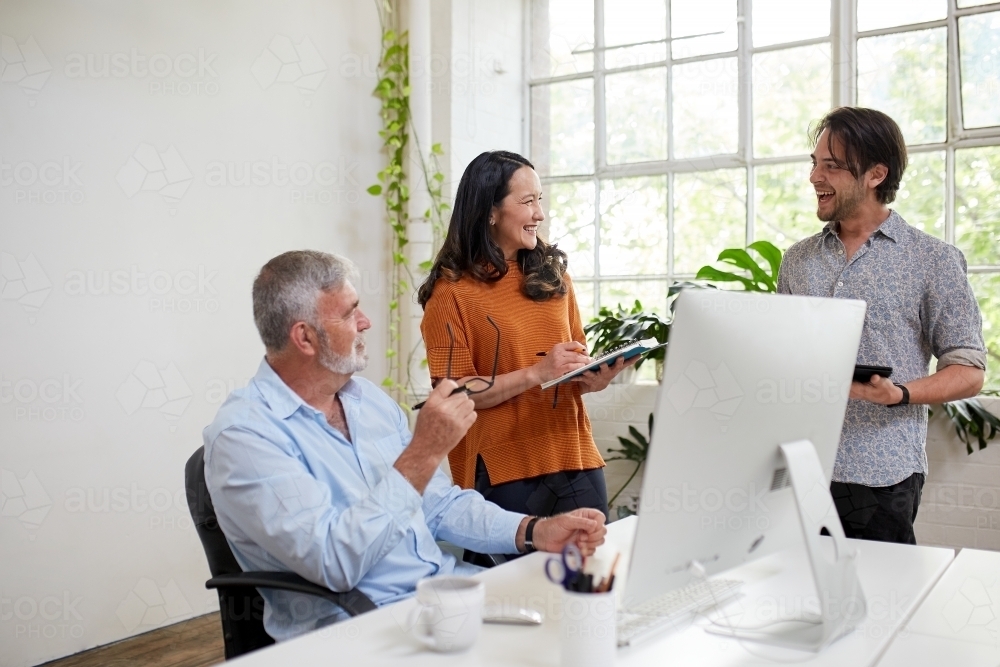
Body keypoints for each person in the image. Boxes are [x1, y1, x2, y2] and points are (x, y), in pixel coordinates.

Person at [203, 250, 606, 641]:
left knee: (580, 623)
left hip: (441, 597)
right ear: (305, 337)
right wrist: (426, 451)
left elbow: (439, 505)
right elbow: (333, 562)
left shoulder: (370, 402)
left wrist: (534, 530)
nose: (365, 322)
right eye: (349, 313)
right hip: (361, 628)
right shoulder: (245, 437)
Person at [778, 107, 986, 544]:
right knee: (796, 596)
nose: (815, 176)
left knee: (881, 603)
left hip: (881, 473)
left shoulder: (933, 261)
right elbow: (786, 355)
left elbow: (969, 370)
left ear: (875, 174)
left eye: (831, 166)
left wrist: (900, 394)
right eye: (814, 163)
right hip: (800, 469)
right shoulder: (797, 261)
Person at [417, 150, 635, 536]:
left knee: (590, 578)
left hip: (575, 455)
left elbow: (571, 361)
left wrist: (592, 377)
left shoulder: (555, 279)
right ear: (490, 211)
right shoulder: (451, 294)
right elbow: (454, 393)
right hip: (503, 467)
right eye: (527, 201)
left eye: (541, 200)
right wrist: (536, 373)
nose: (540, 213)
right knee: (516, 591)